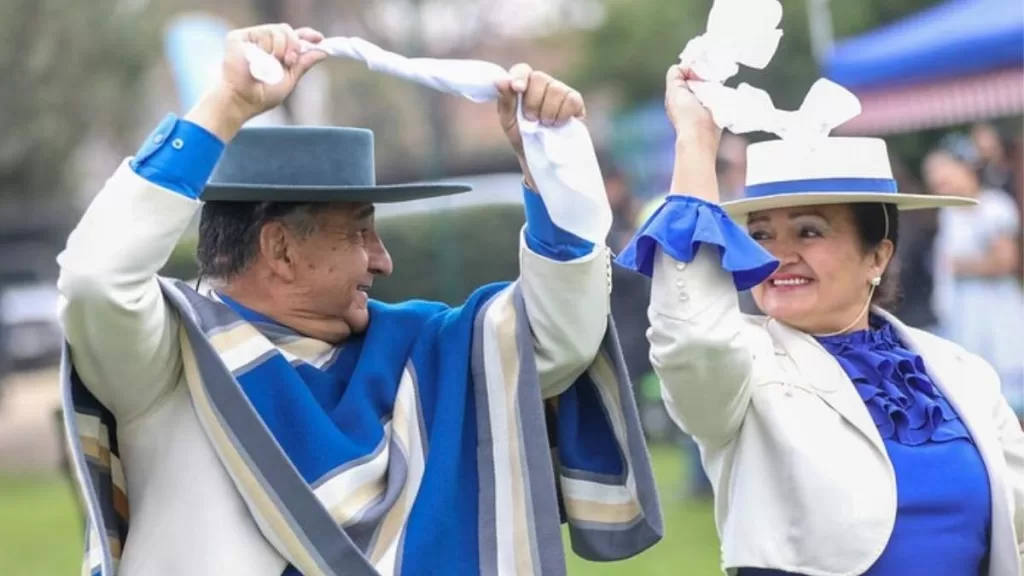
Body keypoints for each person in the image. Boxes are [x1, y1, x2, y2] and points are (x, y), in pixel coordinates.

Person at [57, 24, 661, 576]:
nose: (382, 258)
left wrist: (546, 171)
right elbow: (94, 278)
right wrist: (227, 105)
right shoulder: (170, 354)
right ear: (281, 249)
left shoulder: (424, 349)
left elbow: (561, 336)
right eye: (359, 230)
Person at [617, 64, 1024, 575]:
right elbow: (693, 335)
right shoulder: (744, 365)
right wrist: (695, 141)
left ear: (877, 256)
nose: (779, 254)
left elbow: (1016, 533)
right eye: (761, 235)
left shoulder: (960, 369)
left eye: (809, 232)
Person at [926, 134, 1024, 418]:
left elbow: (1005, 260)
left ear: (965, 167)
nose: (935, 179)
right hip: (963, 315)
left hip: (994, 315)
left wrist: (959, 267)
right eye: (931, 173)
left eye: (941, 170)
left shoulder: (991, 206)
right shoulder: (949, 212)